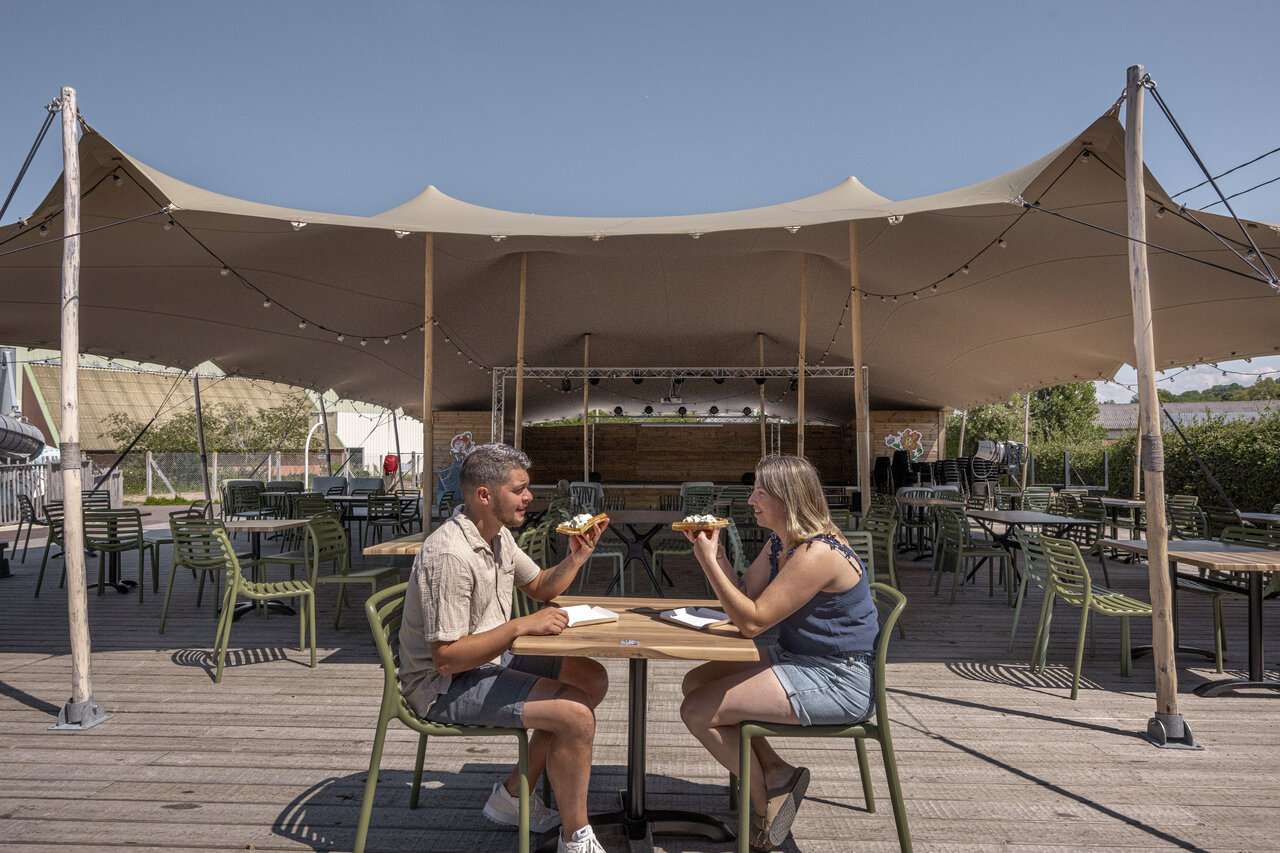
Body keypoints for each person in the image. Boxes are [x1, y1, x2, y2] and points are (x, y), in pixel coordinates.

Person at [398, 443, 611, 853]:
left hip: (487, 661)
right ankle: (575, 838)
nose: (528, 496)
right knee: (575, 716)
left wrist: (577, 557)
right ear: (484, 495)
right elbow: (446, 659)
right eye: (519, 489)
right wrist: (519, 626)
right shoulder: (450, 554)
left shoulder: (498, 537)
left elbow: (541, 586)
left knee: (589, 677)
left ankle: (513, 795)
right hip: (442, 686)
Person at [679, 454, 879, 852]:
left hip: (839, 678)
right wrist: (717, 556)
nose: (751, 500)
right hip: (798, 657)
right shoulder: (781, 542)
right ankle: (775, 770)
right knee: (696, 681)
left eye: (760, 492)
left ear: (788, 499)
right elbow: (746, 593)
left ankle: (765, 803)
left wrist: (706, 564)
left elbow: (752, 623)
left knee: (697, 710)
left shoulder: (817, 553)